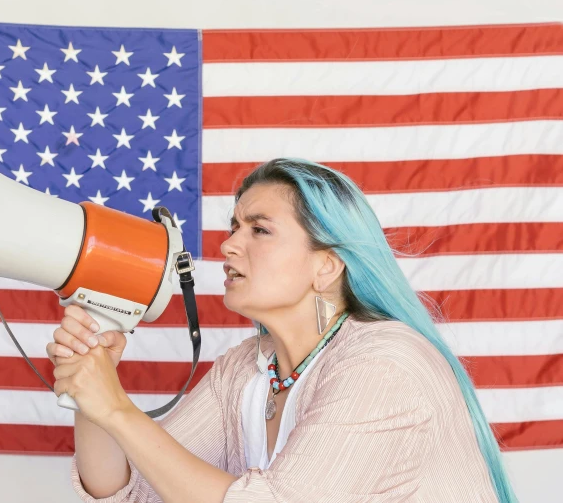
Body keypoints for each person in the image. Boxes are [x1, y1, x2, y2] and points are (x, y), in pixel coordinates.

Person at [46, 158, 518, 503]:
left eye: (259, 230)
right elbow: (134, 495)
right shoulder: (245, 370)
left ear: (326, 266)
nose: (229, 245)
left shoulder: (387, 363)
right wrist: (95, 395)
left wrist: (118, 407)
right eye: (234, 227)